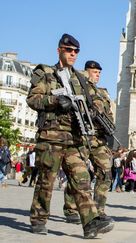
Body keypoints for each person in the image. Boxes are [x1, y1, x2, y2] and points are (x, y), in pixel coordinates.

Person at [26, 33, 114, 238]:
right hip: (52, 137)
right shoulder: (46, 73)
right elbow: (33, 99)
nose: (73, 54)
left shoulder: (80, 79)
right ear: (59, 51)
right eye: (69, 50)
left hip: (75, 139)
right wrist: (55, 102)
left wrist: (94, 110)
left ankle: (91, 222)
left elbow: (94, 101)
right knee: (46, 180)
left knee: (81, 179)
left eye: (76, 51)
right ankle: (39, 219)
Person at [63, 60, 115, 224]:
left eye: (99, 73)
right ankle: (71, 208)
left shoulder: (102, 93)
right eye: (94, 72)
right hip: (82, 136)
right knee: (78, 173)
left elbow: (108, 114)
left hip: (99, 139)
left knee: (105, 173)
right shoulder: (77, 88)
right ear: (86, 72)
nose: (97, 75)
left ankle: (98, 209)